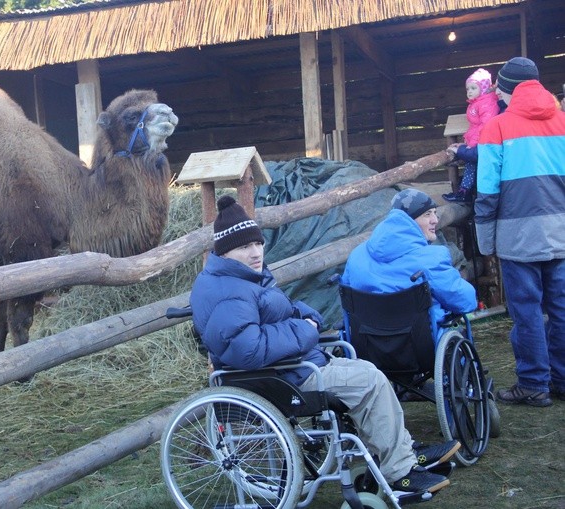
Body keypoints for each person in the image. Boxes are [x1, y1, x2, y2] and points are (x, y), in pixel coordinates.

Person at [190, 195, 460, 497]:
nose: (256, 253)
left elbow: (281, 313)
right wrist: (304, 331)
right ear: (225, 252)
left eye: (258, 244)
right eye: (245, 247)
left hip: (290, 367)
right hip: (279, 378)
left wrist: (306, 318)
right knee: (368, 381)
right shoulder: (229, 291)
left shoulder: (243, 279)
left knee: (368, 371)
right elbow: (248, 348)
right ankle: (400, 473)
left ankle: (399, 453)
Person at [475, 56, 565, 407]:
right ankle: (561, 380)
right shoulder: (562, 121)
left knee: (526, 311)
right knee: (561, 309)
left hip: (518, 238)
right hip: (561, 234)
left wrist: (486, 242)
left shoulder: (496, 127)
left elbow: (488, 191)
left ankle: (532, 384)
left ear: (508, 88)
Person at [342, 188, 477, 343]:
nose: (435, 220)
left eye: (434, 212)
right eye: (427, 214)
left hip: (367, 347)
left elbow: (347, 303)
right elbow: (465, 301)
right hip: (422, 348)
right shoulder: (431, 259)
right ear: (407, 220)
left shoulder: (356, 256)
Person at [443, 68, 500, 203]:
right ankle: (465, 192)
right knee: (471, 165)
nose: (469, 91)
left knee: (472, 164)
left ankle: (465, 192)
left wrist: (472, 145)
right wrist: (466, 143)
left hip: (483, 143)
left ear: (484, 88)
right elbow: (475, 127)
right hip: (476, 143)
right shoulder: (478, 103)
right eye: (468, 88)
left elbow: (485, 126)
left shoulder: (487, 103)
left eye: (473, 88)